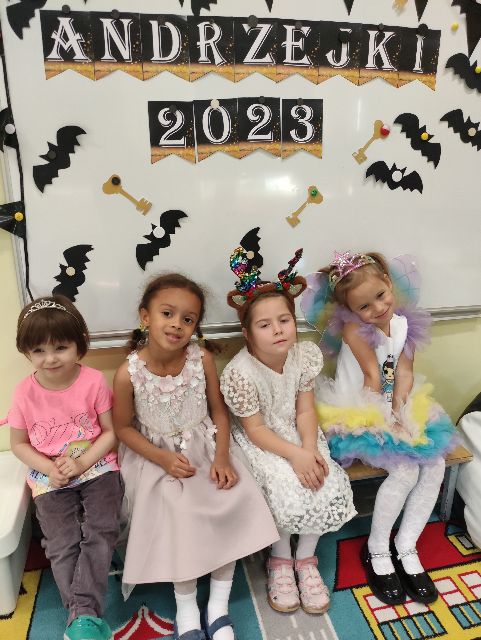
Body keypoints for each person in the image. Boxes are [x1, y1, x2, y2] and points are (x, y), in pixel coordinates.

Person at [113, 273, 278, 640]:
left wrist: (222, 457)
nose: (177, 324)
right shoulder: (128, 373)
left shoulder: (201, 359)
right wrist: (161, 458)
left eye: (187, 319)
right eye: (167, 314)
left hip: (207, 446)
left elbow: (219, 412)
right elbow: (123, 428)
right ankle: (186, 607)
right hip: (156, 457)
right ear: (145, 317)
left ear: (195, 326)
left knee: (230, 497)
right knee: (178, 512)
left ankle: (218, 606)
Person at [302, 251, 458, 606]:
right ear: (350, 310)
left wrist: (401, 414)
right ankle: (376, 551)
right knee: (404, 470)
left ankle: (406, 546)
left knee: (434, 463)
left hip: (392, 404)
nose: (377, 308)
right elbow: (372, 378)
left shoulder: (405, 324)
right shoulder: (355, 330)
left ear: (389, 284)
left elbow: (404, 373)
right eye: (364, 306)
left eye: (381, 296)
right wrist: (385, 422)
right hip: (357, 410)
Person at [220, 248, 356, 615]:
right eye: (265, 325)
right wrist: (294, 456)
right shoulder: (240, 373)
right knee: (283, 486)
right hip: (261, 440)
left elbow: (305, 409)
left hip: (299, 432)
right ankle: (280, 559)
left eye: (284, 320)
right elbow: (255, 429)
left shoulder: (303, 356)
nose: (278, 330)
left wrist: (309, 450)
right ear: (247, 333)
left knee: (322, 477)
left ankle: (306, 559)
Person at [6, 296, 122, 640]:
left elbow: (110, 432)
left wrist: (83, 462)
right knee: (61, 542)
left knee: (101, 529)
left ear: (79, 343)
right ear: (26, 351)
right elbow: (19, 444)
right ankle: (84, 617)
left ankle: (80, 618)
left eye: (61, 347)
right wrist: (49, 468)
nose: (51, 358)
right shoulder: (23, 393)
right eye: (39, 350)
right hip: (49, 476)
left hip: (97, 467)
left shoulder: (94, 381)